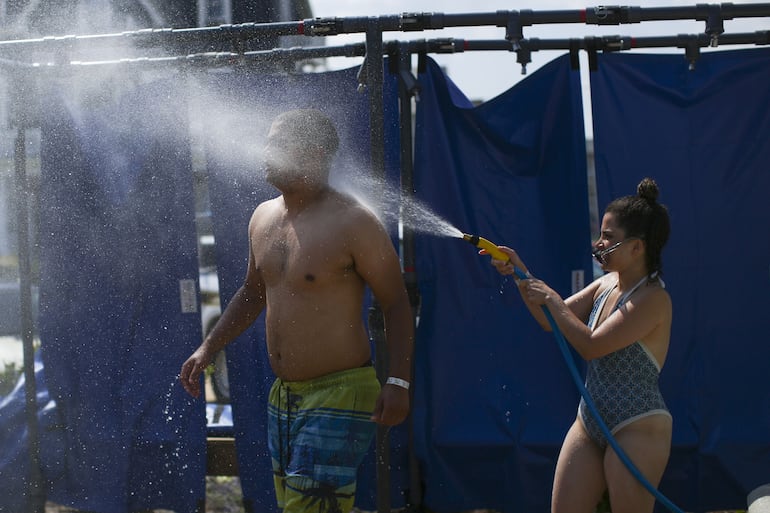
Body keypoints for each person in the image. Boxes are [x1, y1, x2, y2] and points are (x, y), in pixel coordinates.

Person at [180, 108, 414, 513]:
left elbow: (396, 303)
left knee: (308, 508)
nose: (265, 151)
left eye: (277, 143)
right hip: (283, 396)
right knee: (298, 504)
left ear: (315, 153)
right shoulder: (262, 217)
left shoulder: (354, 221)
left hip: (342, 392)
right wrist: (209, 347)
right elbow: (253, 293)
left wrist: (398, 381)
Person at [488, 178, 672, 513]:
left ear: (637, 247)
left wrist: (551, 299)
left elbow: (591, 345)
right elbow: (549, 320)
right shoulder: (604, 283)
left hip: (638, 425)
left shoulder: (654, 299)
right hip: (589, 421)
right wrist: (520, 274)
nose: (599, 243)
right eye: (601, 234)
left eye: (609, 237)